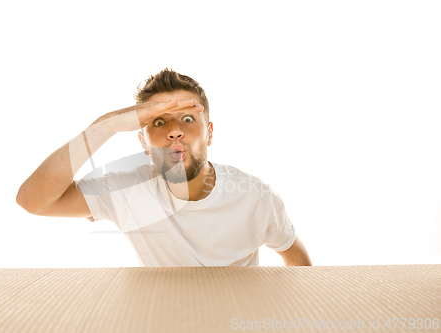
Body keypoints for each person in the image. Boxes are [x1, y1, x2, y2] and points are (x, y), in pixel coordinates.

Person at [16, 68, 312, 267]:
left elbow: (297, 259)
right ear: (143, 142)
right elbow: (33, 201)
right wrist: (104, 127)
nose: (174, 131)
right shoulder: (127, 192)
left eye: (187, 119)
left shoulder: (256, 197)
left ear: (209, 132)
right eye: (159, 121)